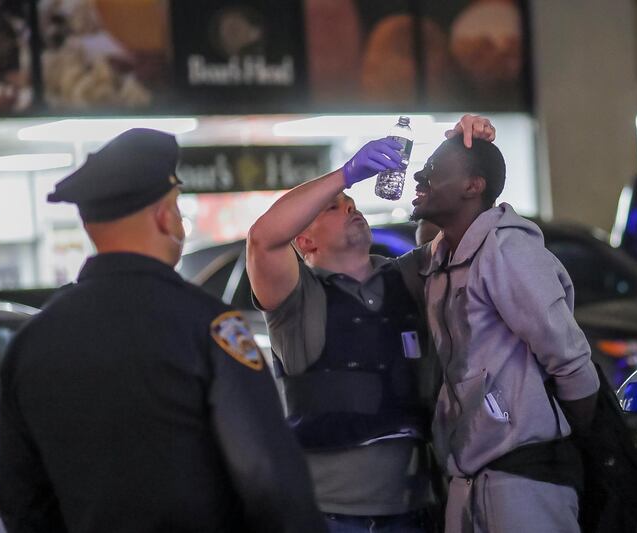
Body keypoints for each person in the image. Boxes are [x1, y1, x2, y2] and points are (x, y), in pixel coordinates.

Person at [0, 128, 325, 533]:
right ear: (164, 217)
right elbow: (270, 479)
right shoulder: (208, 327)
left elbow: (20, 501)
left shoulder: (32, 341)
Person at [246, 116, 495, 533]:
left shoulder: (409, 276)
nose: (350, 206)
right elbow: (262, 238)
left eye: (353, 203)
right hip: (330, 516)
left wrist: (462, 152)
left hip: (414, 508)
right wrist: (346, 174)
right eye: (334, 207)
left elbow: (458, 221)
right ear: (304, 241)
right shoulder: (296, 297)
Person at [408, 134, 600, 533]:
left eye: (432, 170)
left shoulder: (507, 250)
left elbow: (572, 363)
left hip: (525, 483)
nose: (418, 178)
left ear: (472, 185)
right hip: (468, 482)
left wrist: (570, 448)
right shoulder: (440, 259)